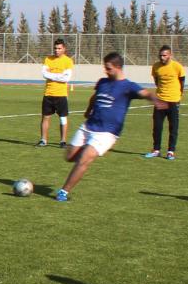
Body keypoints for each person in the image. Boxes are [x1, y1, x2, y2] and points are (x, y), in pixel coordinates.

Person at [55, 53, 166, 202]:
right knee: (69, 157)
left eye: (108, 68)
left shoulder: (128, 86)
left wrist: (155, 100)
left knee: (84, 159)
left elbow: (146, 93)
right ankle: (85, 151)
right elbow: (95, 97)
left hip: (107, 133)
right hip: (89, 126)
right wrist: (88, 110)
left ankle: (64, 192)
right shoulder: (102, 82)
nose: (106, 71)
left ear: (118, 67)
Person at [145, 45, 186, 160]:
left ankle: (171, 151)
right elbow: (157, 81)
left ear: (170, 55)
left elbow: (182, 82)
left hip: (173, 101)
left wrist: (178, 95)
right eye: (160, 55)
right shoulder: (156, 67)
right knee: (157, 127)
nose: (162, 57)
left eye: (164, 55)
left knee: (173, 127)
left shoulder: (177, 67)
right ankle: (156, 150)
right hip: (160, 101)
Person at [38, 38, 74, 147]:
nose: (56, 50)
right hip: (48, 94)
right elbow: (44, 74)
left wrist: (52, 75)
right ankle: (43, 140)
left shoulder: (68, 61)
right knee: (45, 117)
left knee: (63, 118)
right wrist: (59, 76)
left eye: (59, 48)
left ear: (64, 49)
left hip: (61, 95)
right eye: (55, 48)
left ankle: (63, 141)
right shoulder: (48, 59)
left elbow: (66, 78)